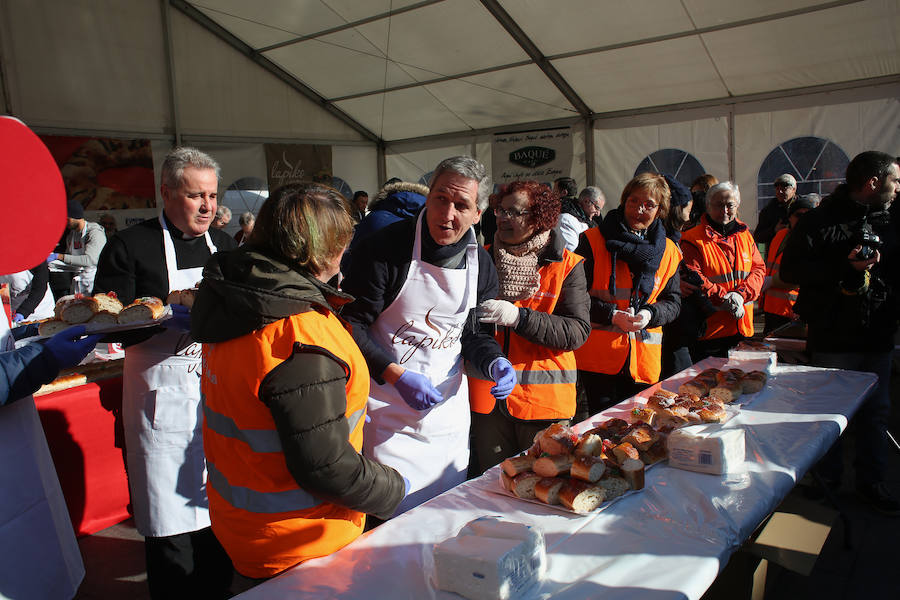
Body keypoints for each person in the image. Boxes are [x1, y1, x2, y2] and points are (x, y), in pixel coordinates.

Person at [191, 183, 405, 585]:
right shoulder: (298, 336)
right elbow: (324, 467)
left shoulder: (237, 303)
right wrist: (393, 488)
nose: (346, 256)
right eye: (344, 245)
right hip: (302, 546)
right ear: (322, 252)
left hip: (246, 529)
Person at [92, 147, 237, 599]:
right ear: (167, 192)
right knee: (171, 525)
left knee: (220, 515)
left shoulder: (227, 248)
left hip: (217, 395)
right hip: (161, 402)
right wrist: (159, 318)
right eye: (196, 196)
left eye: (212, 196)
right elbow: (108, 322)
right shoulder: (129, 247)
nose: (207, 206)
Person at [341, 156, 514, 515]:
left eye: (461, 205)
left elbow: (474, 332)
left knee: (443, 517)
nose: (446, 214)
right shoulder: (385, 249)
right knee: (389, 523)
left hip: (445, 420)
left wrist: (493, 360)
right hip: (386, 415)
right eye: (440, 199)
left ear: (479, 214)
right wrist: (395, 375)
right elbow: (350, 326)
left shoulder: (480, 263)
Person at [781, 151, 900, 515]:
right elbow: (790, 271)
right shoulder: (820, 220)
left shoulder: (894, 219)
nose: (899, 187)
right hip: (833, 333)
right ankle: (827, 480)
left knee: (875, 413)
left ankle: (871, 482)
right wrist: (843, 266)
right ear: (872, 183)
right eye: (895, 180)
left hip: (878, 332)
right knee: (829, 413)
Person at [468, 180, 590, 474]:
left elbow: (576, 331)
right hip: (488, 403)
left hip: (544, 405)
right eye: (500, 210)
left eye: (514, 212)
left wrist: (519, 318)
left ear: (539, 218)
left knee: (545, 486)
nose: (502, 218)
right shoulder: (480, 257)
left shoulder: (566, 265)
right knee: (494, 485)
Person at [573, 173, 681, 416]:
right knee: (602, 433)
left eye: (649, 204)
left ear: (660, 210)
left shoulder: (670, 251)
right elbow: (575, 298)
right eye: (633, 201)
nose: (639, 209)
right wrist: (612, 315)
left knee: (640, 433)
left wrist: (649, 314)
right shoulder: (591, 240)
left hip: (644, 363)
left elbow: (673, 302)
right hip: (600, 363)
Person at [681, 182, 766, 361]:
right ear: (708, 206)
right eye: (719, 205)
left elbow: (758, 269)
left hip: (742, 328)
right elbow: (695, 276)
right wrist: (724, 297)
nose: (725, 210)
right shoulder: (692, 239)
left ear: (737, 205)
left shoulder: (745, 235)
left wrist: (741, 295)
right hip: (710, 331)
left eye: (730, 205)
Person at [342, 180, 429, 273]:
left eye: (365, 202)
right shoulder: (429, 217)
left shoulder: (372, 219)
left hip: (371, 280)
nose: (364, 205)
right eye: (362, 202)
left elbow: (349, 260)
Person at [659, 174, 697, 378]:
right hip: (665, 327)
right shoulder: (663, 241)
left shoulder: (672, 238)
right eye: (687, 210)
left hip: (672, 324)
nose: (689, 217)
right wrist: (674, 284)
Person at [761, 194, 816, 334]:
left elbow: (803, 276)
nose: (803, 219)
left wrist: (771, 281)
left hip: (793, 310)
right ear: (790, 217)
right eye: (798, 215)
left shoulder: (814, 240)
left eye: (808, 215)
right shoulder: (780, 235)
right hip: (771, 308)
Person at [47, 198, 107, 294]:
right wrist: (53, 263)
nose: (64, 223)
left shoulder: (94, 233)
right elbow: (71, 259)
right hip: (78, 282)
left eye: (65, 219)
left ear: (72, 217)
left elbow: (90, 260)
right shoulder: (72, 235)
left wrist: (59, 256)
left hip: (93, 283)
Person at [754, 173, 797, 247]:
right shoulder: (769, 210)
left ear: (794, 189)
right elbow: (758, 236)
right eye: (777, 189)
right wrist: (774, 230)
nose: (780, 192)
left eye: (784, 188)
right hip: (776, 256)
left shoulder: (802, 208)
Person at [559, 185, 605, 251]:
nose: (598, 214)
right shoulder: (566, 219)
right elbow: (569, 251)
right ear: (586, 201)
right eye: (597, 208)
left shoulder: (589, 221)